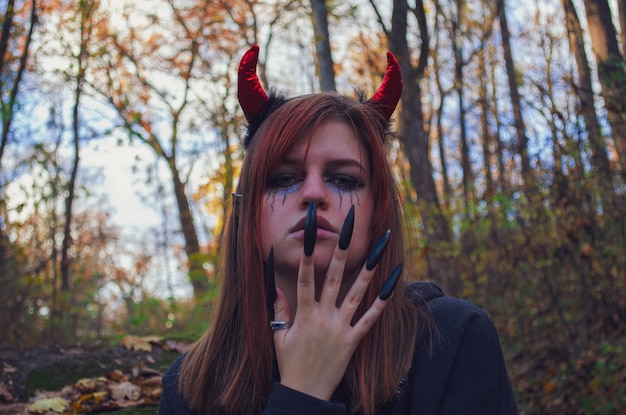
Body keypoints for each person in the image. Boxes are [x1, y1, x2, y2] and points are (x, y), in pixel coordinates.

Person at [159, 45, 518, 415]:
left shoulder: (451, 341)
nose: (313, 193)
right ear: (248, 210)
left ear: (379, 209)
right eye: (283, 179)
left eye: (344, 180)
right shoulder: (189, 386)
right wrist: (303, 393)